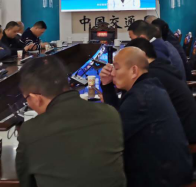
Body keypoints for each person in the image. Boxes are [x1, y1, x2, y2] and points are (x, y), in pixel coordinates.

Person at [16, 56, 126, 187]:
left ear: (36, 98)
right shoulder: (110, 114)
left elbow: (26, 182)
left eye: (26, 98)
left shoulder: (30, 131)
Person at [100, 47, 193, 187]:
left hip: (163, 178)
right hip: (166, 169)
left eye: (116, 68)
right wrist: (107, 86)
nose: (112, 73)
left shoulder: (140, 99)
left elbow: (113, 137)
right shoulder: (148, 86)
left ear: (134, 71)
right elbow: (117, 117)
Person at [127, 38, 196, 145]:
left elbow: (131, 113)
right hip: (186, 132)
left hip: (184, 142)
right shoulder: (161, 67)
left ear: (142, 55)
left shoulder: (152, 76)